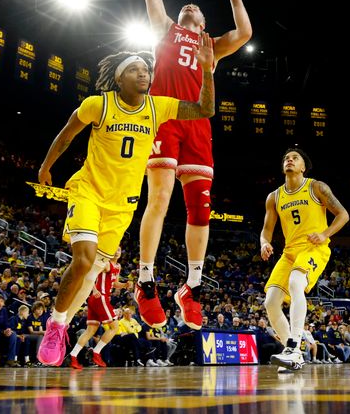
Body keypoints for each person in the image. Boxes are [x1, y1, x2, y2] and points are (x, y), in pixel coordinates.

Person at [35, 45, 215, 366]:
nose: (143, 72)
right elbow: (66, 135)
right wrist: (47, 166)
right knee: (83, 260)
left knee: (90, 275)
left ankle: (60, 324)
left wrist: (207, 71)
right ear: (119, 78)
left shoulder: (157, 107)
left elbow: (204, 109)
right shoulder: (99, 104)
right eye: (135, 69)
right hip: (89, 191)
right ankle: (56, 323)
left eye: (146, 69)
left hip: (123, 205)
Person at [135, 0, 253, 331]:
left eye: (196, 8)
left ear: (203, 23)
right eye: (187, 5)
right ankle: (146, 279)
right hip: (165, 115)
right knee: (161, 196)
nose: (189, 6)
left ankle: (193, 286)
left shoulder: (211, 45)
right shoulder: (165, 28)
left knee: (200, 209)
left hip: (198, 123)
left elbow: (245, 34)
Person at [260, 148, 349, 372]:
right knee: (270, 303)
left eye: (294, 158)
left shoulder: (316, 187)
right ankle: (294, 353)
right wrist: (264, 243)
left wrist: (324, 234)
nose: (289, 160)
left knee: (296, 282)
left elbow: (343, 215)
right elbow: (266, 231)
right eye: (286, 158)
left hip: (314, 247)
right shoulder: (274, 197)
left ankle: (293, 346)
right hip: (289, 252)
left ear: (303, 167)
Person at [69, 247, 131, 369]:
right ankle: (96, 352)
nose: (117, 251)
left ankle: (73, 356)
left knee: (90, 330)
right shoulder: (106, 264)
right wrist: (94, 289)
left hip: (97, 299)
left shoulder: (117, 266)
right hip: (100, 297)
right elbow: (89, 274)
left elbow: (115, 283)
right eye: (115, 249)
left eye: (119, 249)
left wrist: (125, 285)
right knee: (114, 327)